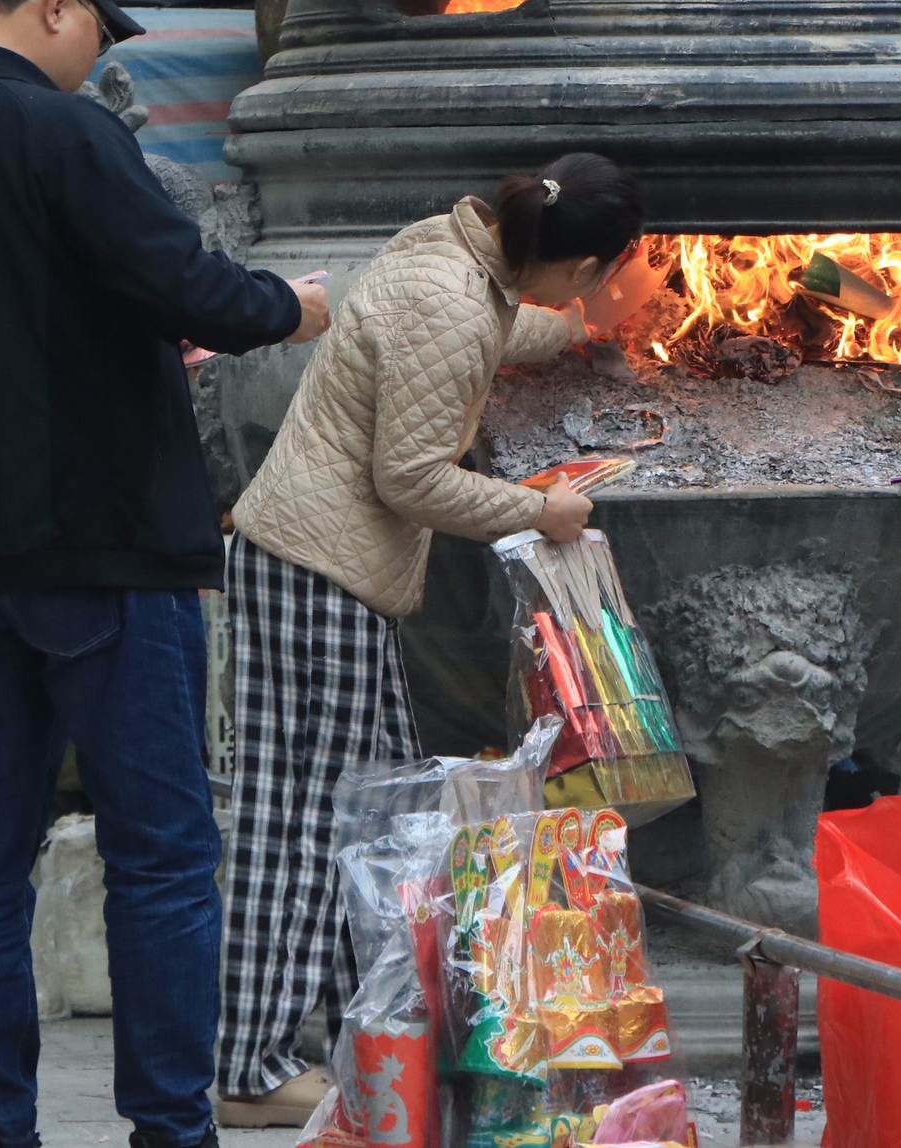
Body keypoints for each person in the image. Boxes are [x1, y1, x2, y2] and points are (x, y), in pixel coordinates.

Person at [0, 0, 330, 1148]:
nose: (95, 60)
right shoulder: (66, 133)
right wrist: (299, 305)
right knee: (163, 860)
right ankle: (170, 1130)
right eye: (97, 35)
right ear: (57, 4)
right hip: (105, 545)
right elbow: (199, 294)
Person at [213, 152, 645, 1127]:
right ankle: (248, 1067)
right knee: (297, 816)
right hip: (312, 570)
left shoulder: (452, 250)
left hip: (328, 570)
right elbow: (409, 475)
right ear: (577, 263)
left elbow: (491, 326)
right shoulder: (452, 306)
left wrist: (583, 327)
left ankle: (325, 1029)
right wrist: (543, 508)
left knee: (368, 811)